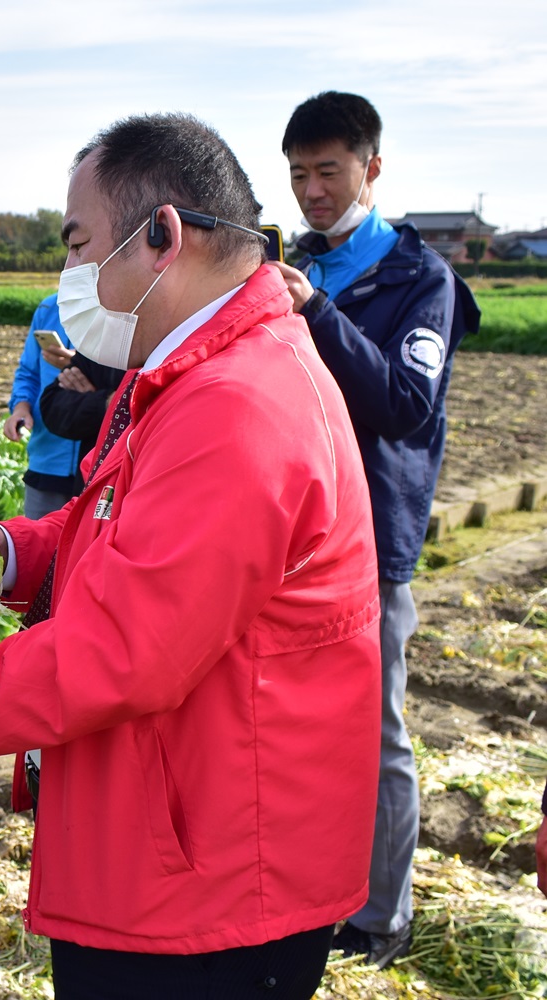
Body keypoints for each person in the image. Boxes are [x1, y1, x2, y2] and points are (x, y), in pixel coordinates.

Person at [0, 114, 381, 1000]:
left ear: (162, 235)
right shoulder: (199, 373)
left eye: (79, 246)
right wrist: (4, 554)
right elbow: (119, 533)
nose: (70, 277)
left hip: (208, 893)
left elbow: (114, 657)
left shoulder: (233, 409)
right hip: (183, 848)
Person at [275, 91, 480, 969]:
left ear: (373, 167)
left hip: (373, 541)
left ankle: (381, 916)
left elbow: (405, 402)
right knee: (296, 725)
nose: (313, 192)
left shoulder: (417, 279)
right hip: (291, 533)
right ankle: (307, 888)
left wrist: (314, 314)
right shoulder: (296, 262)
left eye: (328, 171)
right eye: (297, 176)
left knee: (378, 730)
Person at [3, 296, 81, 516]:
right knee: (39, 544)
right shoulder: (49, 308)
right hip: (46, 456)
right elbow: (29, 372)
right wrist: (21, 407)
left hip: (96, 461)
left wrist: (82, 364)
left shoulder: (122, 305)